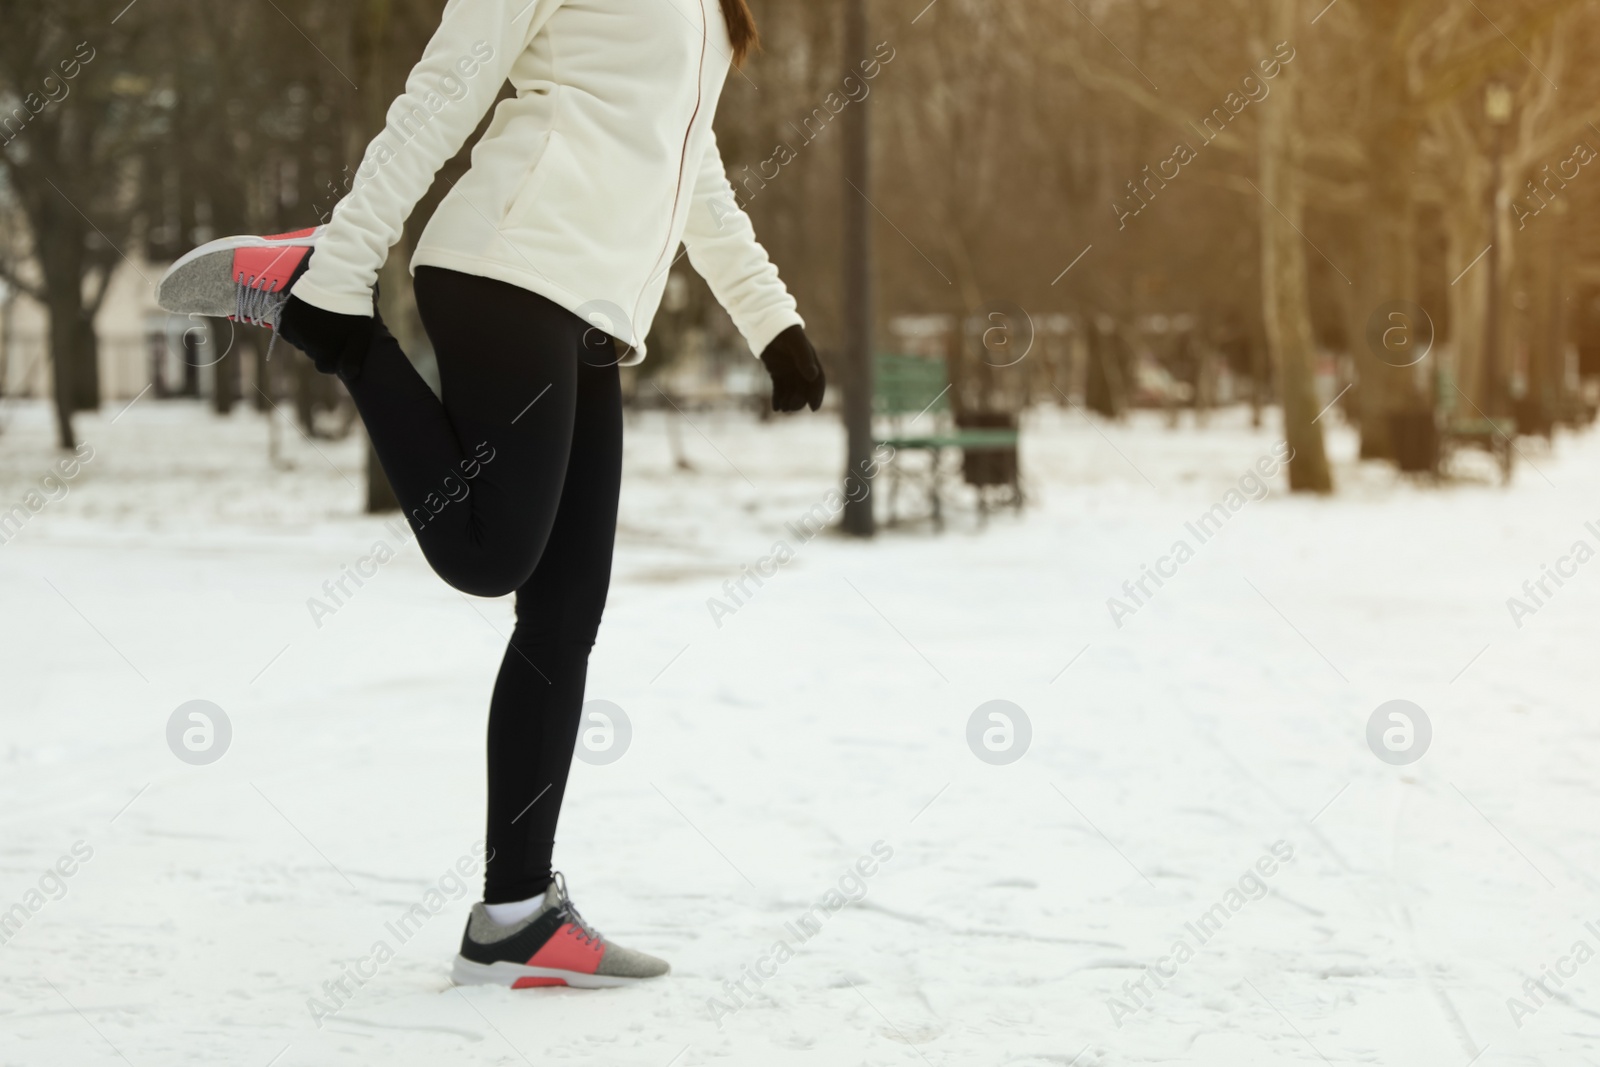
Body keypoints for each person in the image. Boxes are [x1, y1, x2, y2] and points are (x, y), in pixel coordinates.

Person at [157, 0, 825, 989]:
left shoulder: (713, 13)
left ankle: (515, 912)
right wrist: (345, 266)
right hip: (507, 262)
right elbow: (446, 86)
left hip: (592, 310)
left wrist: (770, 318)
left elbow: (689, 170)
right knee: (487, 552)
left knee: (563, 616)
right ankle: (325, 317)